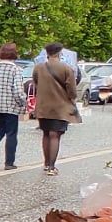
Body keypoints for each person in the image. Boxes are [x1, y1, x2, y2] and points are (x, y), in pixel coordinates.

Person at [31, 41, 81, 174]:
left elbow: (36, 83)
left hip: (43, 106)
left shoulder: (38, 68)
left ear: (47, 53)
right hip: (60, 106)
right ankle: (52, 167)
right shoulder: (66, 68)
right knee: (55, 135)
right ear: (59, 53)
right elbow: (72, 90)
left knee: (46, 134)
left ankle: (46, 164)